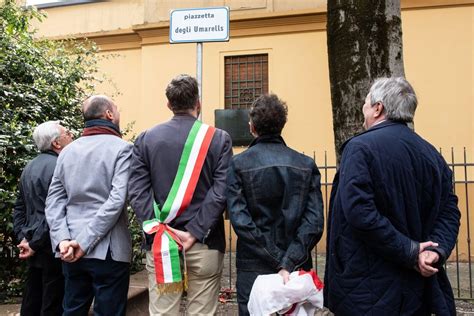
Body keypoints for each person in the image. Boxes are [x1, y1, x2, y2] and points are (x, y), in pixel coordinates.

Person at [324, 77, 461, 315]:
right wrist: (432, 252)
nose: (363, 109)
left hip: (367, 286)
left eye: (366, 102)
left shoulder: (359, 148)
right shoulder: (431, 154)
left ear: (378, 108)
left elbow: (359, 213)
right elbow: (449, 213)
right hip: (418, 289)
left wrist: (410, 251)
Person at [128, 74, 232, 315]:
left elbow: (137, 190)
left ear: (168, 104)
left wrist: (156, 226)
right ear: (199, 102)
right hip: (205, 242)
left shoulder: (146, 139)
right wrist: (195, 231)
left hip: (162, 242)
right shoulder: (219, 139)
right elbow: (221, 191)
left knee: (164, 312)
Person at [226, 94, 324, 316]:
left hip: (255, 266)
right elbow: (314, 223)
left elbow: (241, 222)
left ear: (252, 127)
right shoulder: (305, 165)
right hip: (295, 266)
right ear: (282, 125)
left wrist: (279, 261)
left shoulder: (238, 165)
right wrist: (287, 262)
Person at [45, 95, 132, 315]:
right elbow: (116, 200)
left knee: (72, 310)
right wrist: (83, 243)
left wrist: (63, 240)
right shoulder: (123, 149)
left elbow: (54, 201)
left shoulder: (67, 152)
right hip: (108, 249)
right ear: (109, 115)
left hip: (70, 250)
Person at [13, 121, 73, 316]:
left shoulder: (30, 166)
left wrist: (24, 238)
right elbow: (53, 213)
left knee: (32, 299)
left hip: (34, 244)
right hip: (51, 246)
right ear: (56, 143)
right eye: (67, 133)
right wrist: (35, 243)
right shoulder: (58, 166)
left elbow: (20, 208)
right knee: (52, 303)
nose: (71, 135)